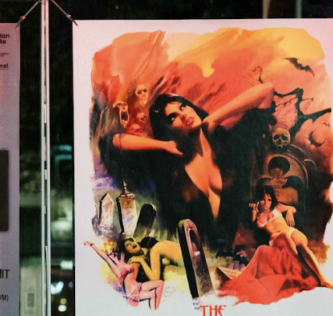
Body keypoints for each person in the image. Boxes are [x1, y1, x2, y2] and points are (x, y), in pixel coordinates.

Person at [110, 84, 275, 246]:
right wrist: (164, 145)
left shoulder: (229, 145)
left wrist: (214, 118)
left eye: (183, 107)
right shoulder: (169, 163)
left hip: (229, 255)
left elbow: (265, 91)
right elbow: (116, 141)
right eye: (172, 117)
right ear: (168, 129)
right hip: (183, 255)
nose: (183, 114)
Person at [84, 240, 164, 309]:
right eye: (110, 255)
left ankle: (156, 310)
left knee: (160, 283)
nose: (112, 254)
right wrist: (92, 245)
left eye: (113, 252)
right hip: (132, 293)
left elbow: (120, 244)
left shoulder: (122, 259)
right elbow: (104, 256)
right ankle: (155, 313)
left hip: (138, 286)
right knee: (152, 295)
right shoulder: (115, 268)